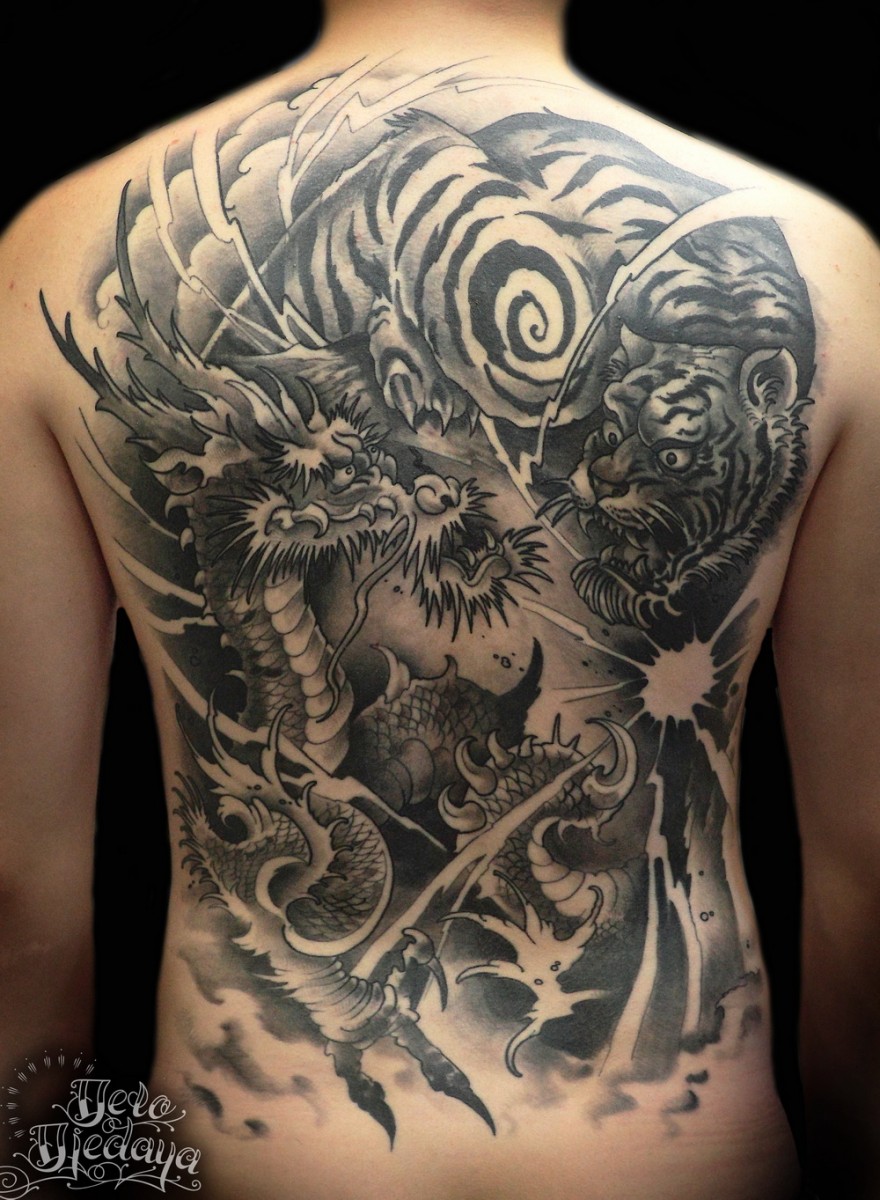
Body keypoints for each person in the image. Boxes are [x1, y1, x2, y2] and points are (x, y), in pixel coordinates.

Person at [0, 3, 876, 1197]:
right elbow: (868, 876)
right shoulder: (830, 269)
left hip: (256, 1152)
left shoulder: (67, 253)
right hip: (675, 1156)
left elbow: (19, 889)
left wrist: (38, 1174)